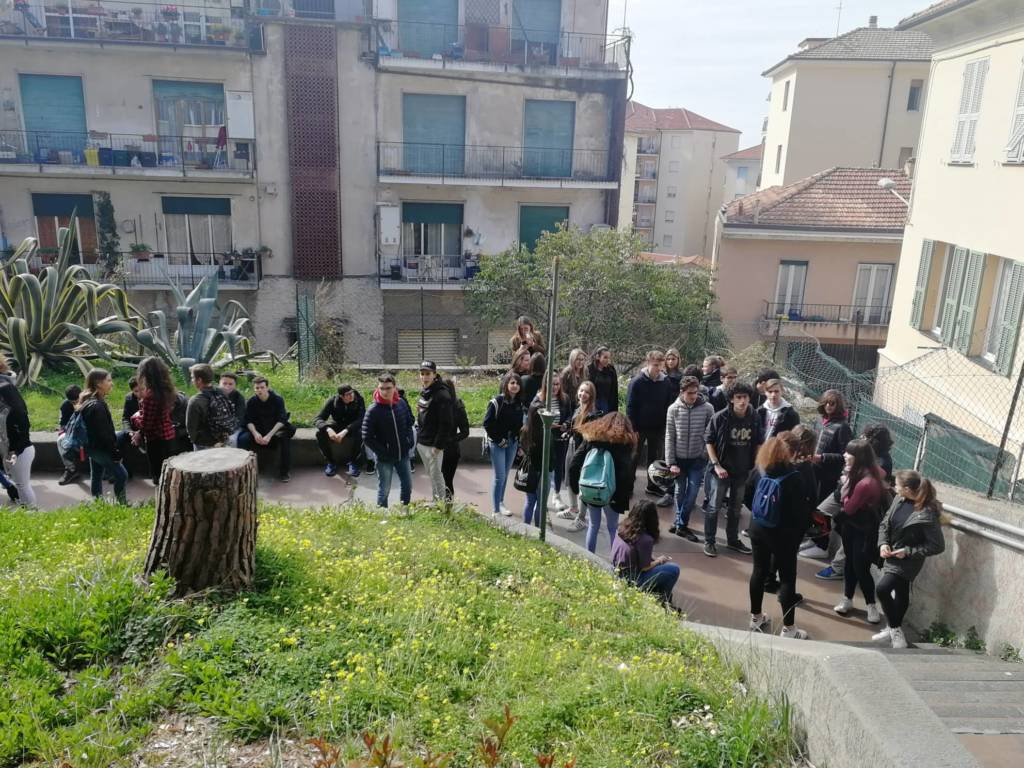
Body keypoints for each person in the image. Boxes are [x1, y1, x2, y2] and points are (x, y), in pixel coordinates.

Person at [746, 435, 815, 639]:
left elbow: (747, 497)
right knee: (787, 579)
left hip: (757, 528)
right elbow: (800, 512)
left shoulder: (759, 469)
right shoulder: (794, 477)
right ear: (790, 453)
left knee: (758, 571)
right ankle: (789, 629)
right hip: (783, 535)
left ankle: (756, 617)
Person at [874, 470, 946, 649]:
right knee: (901, 590)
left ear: (907, 488)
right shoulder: (898, 500)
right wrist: (883, 544)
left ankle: (894, 629)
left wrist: (908, 551)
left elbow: (937, 545)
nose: (894, 487)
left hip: (908, 560)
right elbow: (885, 524)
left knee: (883, 589)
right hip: (891, 554)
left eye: (897, 485)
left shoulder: (927, 513)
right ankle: (894, 629)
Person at [816, 422, 895, 580]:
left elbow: (868, 483)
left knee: (849, 535)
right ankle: (819, 544)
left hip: (860, 504)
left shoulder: (883, 461)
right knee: (820, 514)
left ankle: (838, 568)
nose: (862, 437)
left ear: (875, 440)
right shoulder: (861, 450)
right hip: (842, 493)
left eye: (866, 436)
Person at [704, 382, 761, 557]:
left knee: (736, 509)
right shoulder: (720, 417)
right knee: (714, 507)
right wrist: (716, 465)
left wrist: (755, 464)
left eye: (745, 397)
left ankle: (733, 540)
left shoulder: (754, 417)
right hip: (721, 470)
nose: (742, 401)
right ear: (731, 399)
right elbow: (709, 441)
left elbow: (758, 442)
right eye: (738, 397)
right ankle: (710, 541)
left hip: (742, 470)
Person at [833, 438, 887, 624]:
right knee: (850, 562)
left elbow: (848, 508)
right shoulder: (866, 472)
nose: (844, 455)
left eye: (849, 453)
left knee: (860, 566)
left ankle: (871, 605)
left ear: (859, 457)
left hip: (864, 529)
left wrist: (844, 486)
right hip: (851, 527)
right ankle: (847, 599)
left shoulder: (865, 482)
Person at [568, 412, 637, 554]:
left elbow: (574, 464)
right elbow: (627, 473)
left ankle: (589, 559)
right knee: (612, 528)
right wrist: (624, 495)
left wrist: (576, 488)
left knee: (593, 525)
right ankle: (615, 563)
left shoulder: (591, 438)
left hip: (591, 488)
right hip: (613, 493)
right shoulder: (624, 442)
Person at [801, 389, 856, 561]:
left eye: (832, 403)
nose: (828, 406)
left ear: (838, 406)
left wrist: (822, 457)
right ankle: (814, 540)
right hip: (815, 471)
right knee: (813, 506)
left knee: (822, 511)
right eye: (826, 403)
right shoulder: (821, 421)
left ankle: (822, 546)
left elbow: (845, 455)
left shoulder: (842, 427)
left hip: (829, 476)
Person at [665, 376, 714, 542]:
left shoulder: (708, 408)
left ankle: (680, 523)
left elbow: (710, 434)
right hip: (679, 460)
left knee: (692, 493)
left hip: (697, 459)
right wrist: (671, 462)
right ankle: (681, 524)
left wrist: (704, 454)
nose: (693, 396)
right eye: (690, 393)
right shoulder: (673, 409)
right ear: (682, 392)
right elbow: (669, 436)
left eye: (696, 392)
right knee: (679, 491)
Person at [626, 350, 677, 507]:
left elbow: (668, 404)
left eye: (661, 366)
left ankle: (652, 486)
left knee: (654, 459)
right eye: (655, 365)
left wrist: (665, 426)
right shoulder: (637, 382)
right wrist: (633, 428)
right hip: (639, 427)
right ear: (647, 363)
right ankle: (628, 486)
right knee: (634, 457)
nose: (658, 369)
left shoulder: (666, 382)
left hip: (657, 427)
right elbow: (630, 406)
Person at [362, 373, 415, 509]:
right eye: (382, 388)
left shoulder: (401, 403)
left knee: (408, 485)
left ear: (395, 387)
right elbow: (367, 437)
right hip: (384, 458)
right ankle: (383, 514)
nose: (385, 392)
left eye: (388, 388)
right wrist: (383, 452)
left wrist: (409, 440)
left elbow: (409, 423)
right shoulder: (373, 410)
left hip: (403, 454)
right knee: (384, 489)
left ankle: (404, 510)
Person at [612, 500, 680, 605]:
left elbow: (634, 552)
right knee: (674, 569)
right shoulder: (645, 539)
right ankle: (663, 599)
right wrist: (659, 560)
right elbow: (645, 567)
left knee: (661, 567)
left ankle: (658, 594)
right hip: (634, 579)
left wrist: (653, 559)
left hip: (618, 571)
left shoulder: (622, 527)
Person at [558, 380, 604, 531]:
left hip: (583, 451)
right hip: (572, 446)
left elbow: (590, 436)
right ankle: (573, 509)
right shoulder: (578, 408)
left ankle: (582, 518)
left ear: (592, 395)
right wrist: (568, 430)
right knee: (569, 476)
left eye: (587, 392)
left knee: (581, 481)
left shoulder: (592, 413)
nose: (583, 394)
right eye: (581, 390)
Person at [77, 368, 128, 505]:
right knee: (122, 475)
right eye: (109, 380)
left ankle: (98, 502)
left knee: (96, 474)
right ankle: (122, 504)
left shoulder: (88, 400)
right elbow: (104, 435)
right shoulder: (97, 407)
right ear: (99, 383)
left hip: (91, 447)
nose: (112, 383)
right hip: (100, 448)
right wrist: (115, 454)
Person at [482, 373, 525, 517]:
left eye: (517, 383)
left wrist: (519, 443)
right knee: (499, 476)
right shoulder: (497, 402)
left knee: (505, 475)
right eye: (512, 383)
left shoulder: (519, 403)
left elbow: (519, 425)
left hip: (512, 443)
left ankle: (500, 503)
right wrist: (499, 439)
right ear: (506, 384)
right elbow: (487, 423)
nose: (515, 386)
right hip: (497, 443)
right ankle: (495, 511)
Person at [240, 376, 294, 483]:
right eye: (257, 388)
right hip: (259, 429)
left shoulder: (277, 400)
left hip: (275, 429)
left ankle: (284, 472)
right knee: (243, 439)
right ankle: (244, 469)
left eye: (262, 387)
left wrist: (269, 435)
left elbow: (282, 419)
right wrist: (255, 434)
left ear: (267, 388)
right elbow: (248, 420)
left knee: (285, 439)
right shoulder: (251, 402)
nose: (259, 390)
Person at [133, 356, 178, 484]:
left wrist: (135, 417)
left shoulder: (150, 396)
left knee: (158, 475)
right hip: (169, 436)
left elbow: (146, 425)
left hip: (156, 440)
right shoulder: (168, 391)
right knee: (169, 473)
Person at [519, 388, 559, 528]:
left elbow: (523, 449)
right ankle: (537, 531)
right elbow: (551, 456)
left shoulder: (525, 430)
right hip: (544, 471)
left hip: (530, 471)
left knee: (530, 502)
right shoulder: (546, 433)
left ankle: (525, 529)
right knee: (541, 504)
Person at [415, 360, 455, 502]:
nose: (424, 377)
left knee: (437, 477)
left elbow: (446, 424)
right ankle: (435, 502)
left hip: (433, 446)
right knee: (432, 476)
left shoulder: (441, 395)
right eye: (422, 374)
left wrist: (438, 447)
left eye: (428, 374)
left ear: (434, 375)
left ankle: (441, 506)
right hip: (423, 442)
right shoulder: (426, 391)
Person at [0, 358, 35, 507]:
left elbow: (22, 416)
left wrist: (16, 449)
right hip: (10, 447)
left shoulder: (4, 387)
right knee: (20, 484)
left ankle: (31, 513)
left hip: (17, 449)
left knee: (22, 485)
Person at [313, 384, 366, 477]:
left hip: (353, 427)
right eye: (348, 394)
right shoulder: (333, 401)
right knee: (319, 434)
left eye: (352, 392)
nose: (351, 395)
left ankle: (353, 462)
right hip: (338, 425)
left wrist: (346, 430)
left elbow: (361, 419)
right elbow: (318, 419)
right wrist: (328, 429)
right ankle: (331, 462)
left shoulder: (359, 400)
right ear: (341, 396)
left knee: (361, 433)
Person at [186, 364, 234, 451]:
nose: (192, 380)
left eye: (192, 377)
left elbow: (191, 430)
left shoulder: (195, 401)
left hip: (204, 446)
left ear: (199, 380)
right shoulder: (222, 393)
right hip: (224, 440)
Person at [546, 374, 574, 514]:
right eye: (552, 384)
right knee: (547, 466)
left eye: (557, 384)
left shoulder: (565, 398)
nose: (555, 387)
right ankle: (543, 495)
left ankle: (556, 494)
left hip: (560, 436)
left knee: (559, 466)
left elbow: (569, 415)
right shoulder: (541, 399)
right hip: (547, 435)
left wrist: (566, 424)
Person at [442, 378, 470, 502]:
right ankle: (439, 507)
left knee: (447, 482)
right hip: (435, 449)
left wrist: (450, 440)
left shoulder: (457, 405)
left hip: (450, 451)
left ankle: (447, 508)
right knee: (438, 482)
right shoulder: (435, 404)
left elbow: (465, 431)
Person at [116, 376, 142, 477]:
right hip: (133, 430)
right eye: (136, 391)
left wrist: (140, 433)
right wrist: (129, 431)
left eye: (141, 390)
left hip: (146, 430)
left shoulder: (149, 397)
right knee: (118, 438)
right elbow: (125, 418)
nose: (139, 393)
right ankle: (122, 471)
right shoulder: (129, 398)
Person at [58, 384, 83, 485]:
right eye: (73, 402)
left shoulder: (90, 402)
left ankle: (108, 469)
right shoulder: (65, 406)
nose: (76, 404)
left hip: (88, 433)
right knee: (60, 440)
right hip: (72, 433)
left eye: (78, 401)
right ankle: (71, 469)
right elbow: (63, 425)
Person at [218, 373, 248, 447]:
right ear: (219, 384)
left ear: (235, 385)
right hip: (217, 426)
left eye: (230, 384)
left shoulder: (239, 398)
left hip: (234, 427)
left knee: (231, 440)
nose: (227, 386)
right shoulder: (213, 395)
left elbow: (239, 418)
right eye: (224, 383)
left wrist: (227, 430)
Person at [587, 346, 619, 413]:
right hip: (593, 403)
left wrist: (615, 410)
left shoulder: (611, 370)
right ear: (598, 357)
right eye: (605, 357)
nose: (607, 360)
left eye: (609, 358)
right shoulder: (590, 369)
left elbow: (614, 390)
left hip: (607, 403)